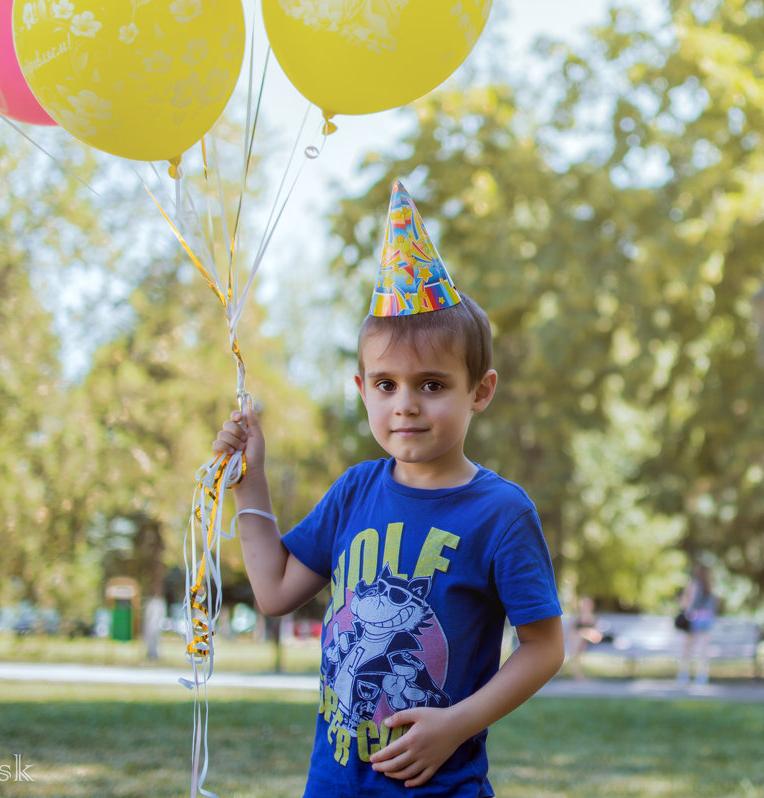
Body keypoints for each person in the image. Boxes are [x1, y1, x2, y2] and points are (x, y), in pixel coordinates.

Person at [212, 180, 565, 797]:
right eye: (385, 385)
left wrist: (456, 725)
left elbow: (545, 647)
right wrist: (251, 482)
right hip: (334, 783)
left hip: (440, 787)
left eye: (432, 384)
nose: (405, 405)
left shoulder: (502, 514)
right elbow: (273, 591)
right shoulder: (354, 491)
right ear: (361, 388)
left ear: (479, 391)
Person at [676, 559, 717, 686]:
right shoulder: (710, 586)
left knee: (687, 649)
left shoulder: (693, 584)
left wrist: (680, 601)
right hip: (707, 619)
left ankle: (684, 674)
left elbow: (688, 604)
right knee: (703, 650)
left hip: (694, 619)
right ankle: (702, 676)